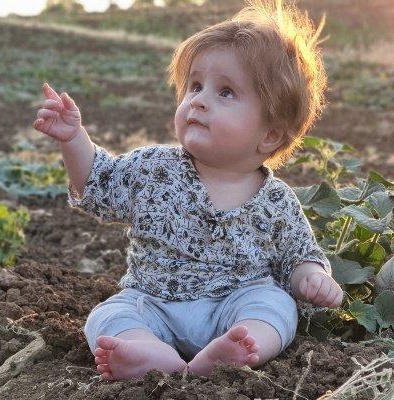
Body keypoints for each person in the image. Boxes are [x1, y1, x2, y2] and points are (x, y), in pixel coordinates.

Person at [32, 0, 342, 380]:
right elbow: (99, 182)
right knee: (109, 315)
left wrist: (311, 277)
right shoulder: (154, 169)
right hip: (153, 303)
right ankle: (148, 353)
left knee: (275, 305)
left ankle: (239, 349)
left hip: (236, 304)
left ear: (271, 134)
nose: (199, 100)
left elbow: (298, 256)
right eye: (195, 86)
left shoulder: (277, 202)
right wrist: (73, 139)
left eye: (225, 92)